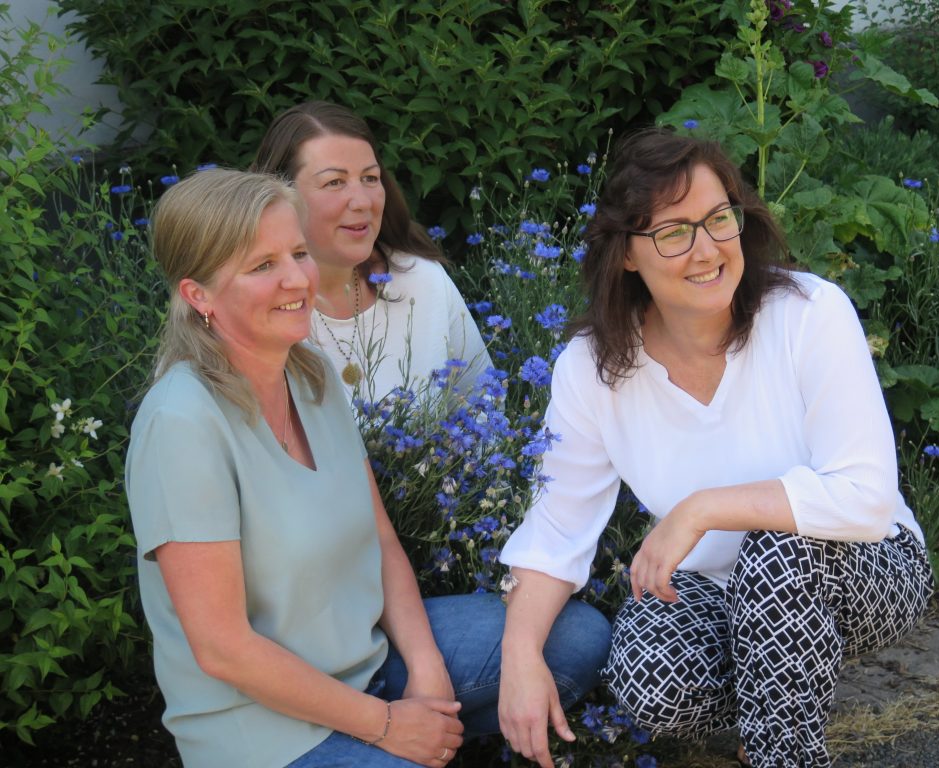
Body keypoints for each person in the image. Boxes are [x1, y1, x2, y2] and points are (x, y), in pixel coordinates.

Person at [125, 169, 610, 768]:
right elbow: (224, 650)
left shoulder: (310, 373)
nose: (296, 278)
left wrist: (428, 676)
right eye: (261, 266)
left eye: (298, 253)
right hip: (262, 729)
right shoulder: (181, 424)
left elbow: (380, 539)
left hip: (368, 661)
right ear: (198, 294)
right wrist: (388, 727)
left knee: (575, 640)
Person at [497, 129, 934, 768]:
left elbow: (865, 500)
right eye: (674, 232)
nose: (706, 250)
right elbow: (557, 527)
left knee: (778, 554)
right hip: (716, 586)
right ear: (625, 254)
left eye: (718, 219)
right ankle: (783, 691)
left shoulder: (809, 313)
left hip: (868, 564)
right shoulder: (591, 368)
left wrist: (702, 508)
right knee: (648, 674)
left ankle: (782, 753)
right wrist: (519, 658)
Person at [251, 101, 491, 405]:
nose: (363, 201)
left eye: (370, 178)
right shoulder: (254, 303)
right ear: (280, 195)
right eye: (334, 182)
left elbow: (485, 403)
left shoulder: (420, 278)